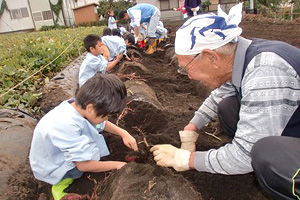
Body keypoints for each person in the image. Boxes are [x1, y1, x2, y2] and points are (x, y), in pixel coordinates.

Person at [150, 3, 300, 200]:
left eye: (187, 69)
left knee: (268, 155)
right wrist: (193, 126)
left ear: (211, 57)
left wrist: (186, 159)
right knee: (228, 106)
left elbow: (246, 154)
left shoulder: (265, 71)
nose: (189, 77)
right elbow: (218, 96)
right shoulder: (241, 58)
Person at [29, 73, 138, 200]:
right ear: (91, 108)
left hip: (58, 152)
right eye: (105, 115)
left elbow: (101, 124)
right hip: (52, 167)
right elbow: (83, 165)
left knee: (92, 147)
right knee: (77, 171)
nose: (106, 119)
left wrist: (124, 133)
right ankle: (59, 185)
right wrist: (117, 165)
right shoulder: (66, 125)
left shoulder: (77, 106)